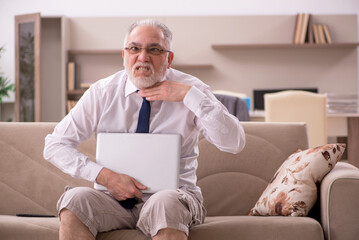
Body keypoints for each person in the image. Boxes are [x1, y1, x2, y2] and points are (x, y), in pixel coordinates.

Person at [43, 19, 245, 240]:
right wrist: (104, 176)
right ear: (124, 56)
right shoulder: (102, 92)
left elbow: (235, 143)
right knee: (74, 200)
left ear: (169, 59)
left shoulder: (192, 90)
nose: (143, 57)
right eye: (134, 48)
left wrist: (190, 96)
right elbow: (55, 145)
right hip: (112, 201)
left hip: (173, 198)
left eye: (154, 49)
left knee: (165, 202)